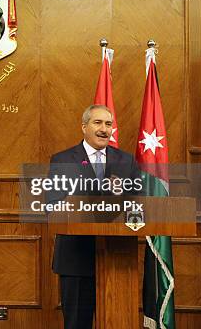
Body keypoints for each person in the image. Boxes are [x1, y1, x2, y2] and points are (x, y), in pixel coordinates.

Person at [48, 104, 140, 329]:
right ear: (84, 127)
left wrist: (121, 197)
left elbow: (139, 204)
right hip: (76, 258)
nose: (104, 129)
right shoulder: (63, 160)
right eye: (97, 123)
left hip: (118, 258)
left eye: (108, 124)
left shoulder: (126, 161)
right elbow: (54, 207)